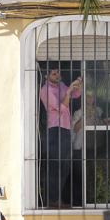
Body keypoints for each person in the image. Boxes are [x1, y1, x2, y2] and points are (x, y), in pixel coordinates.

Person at [39, 66, 82, 207]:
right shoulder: (45, 90)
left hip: (65, 128)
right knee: (55, 167)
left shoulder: (61, 85)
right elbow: (62, 108)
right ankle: (52, 201)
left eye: (58, 72)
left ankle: (57, 199)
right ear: (46, 76)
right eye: (54, 73)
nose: (57, 75)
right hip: (54, 130)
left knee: (65, 165)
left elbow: (75, 95)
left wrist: (78, 85)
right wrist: (69, 91)